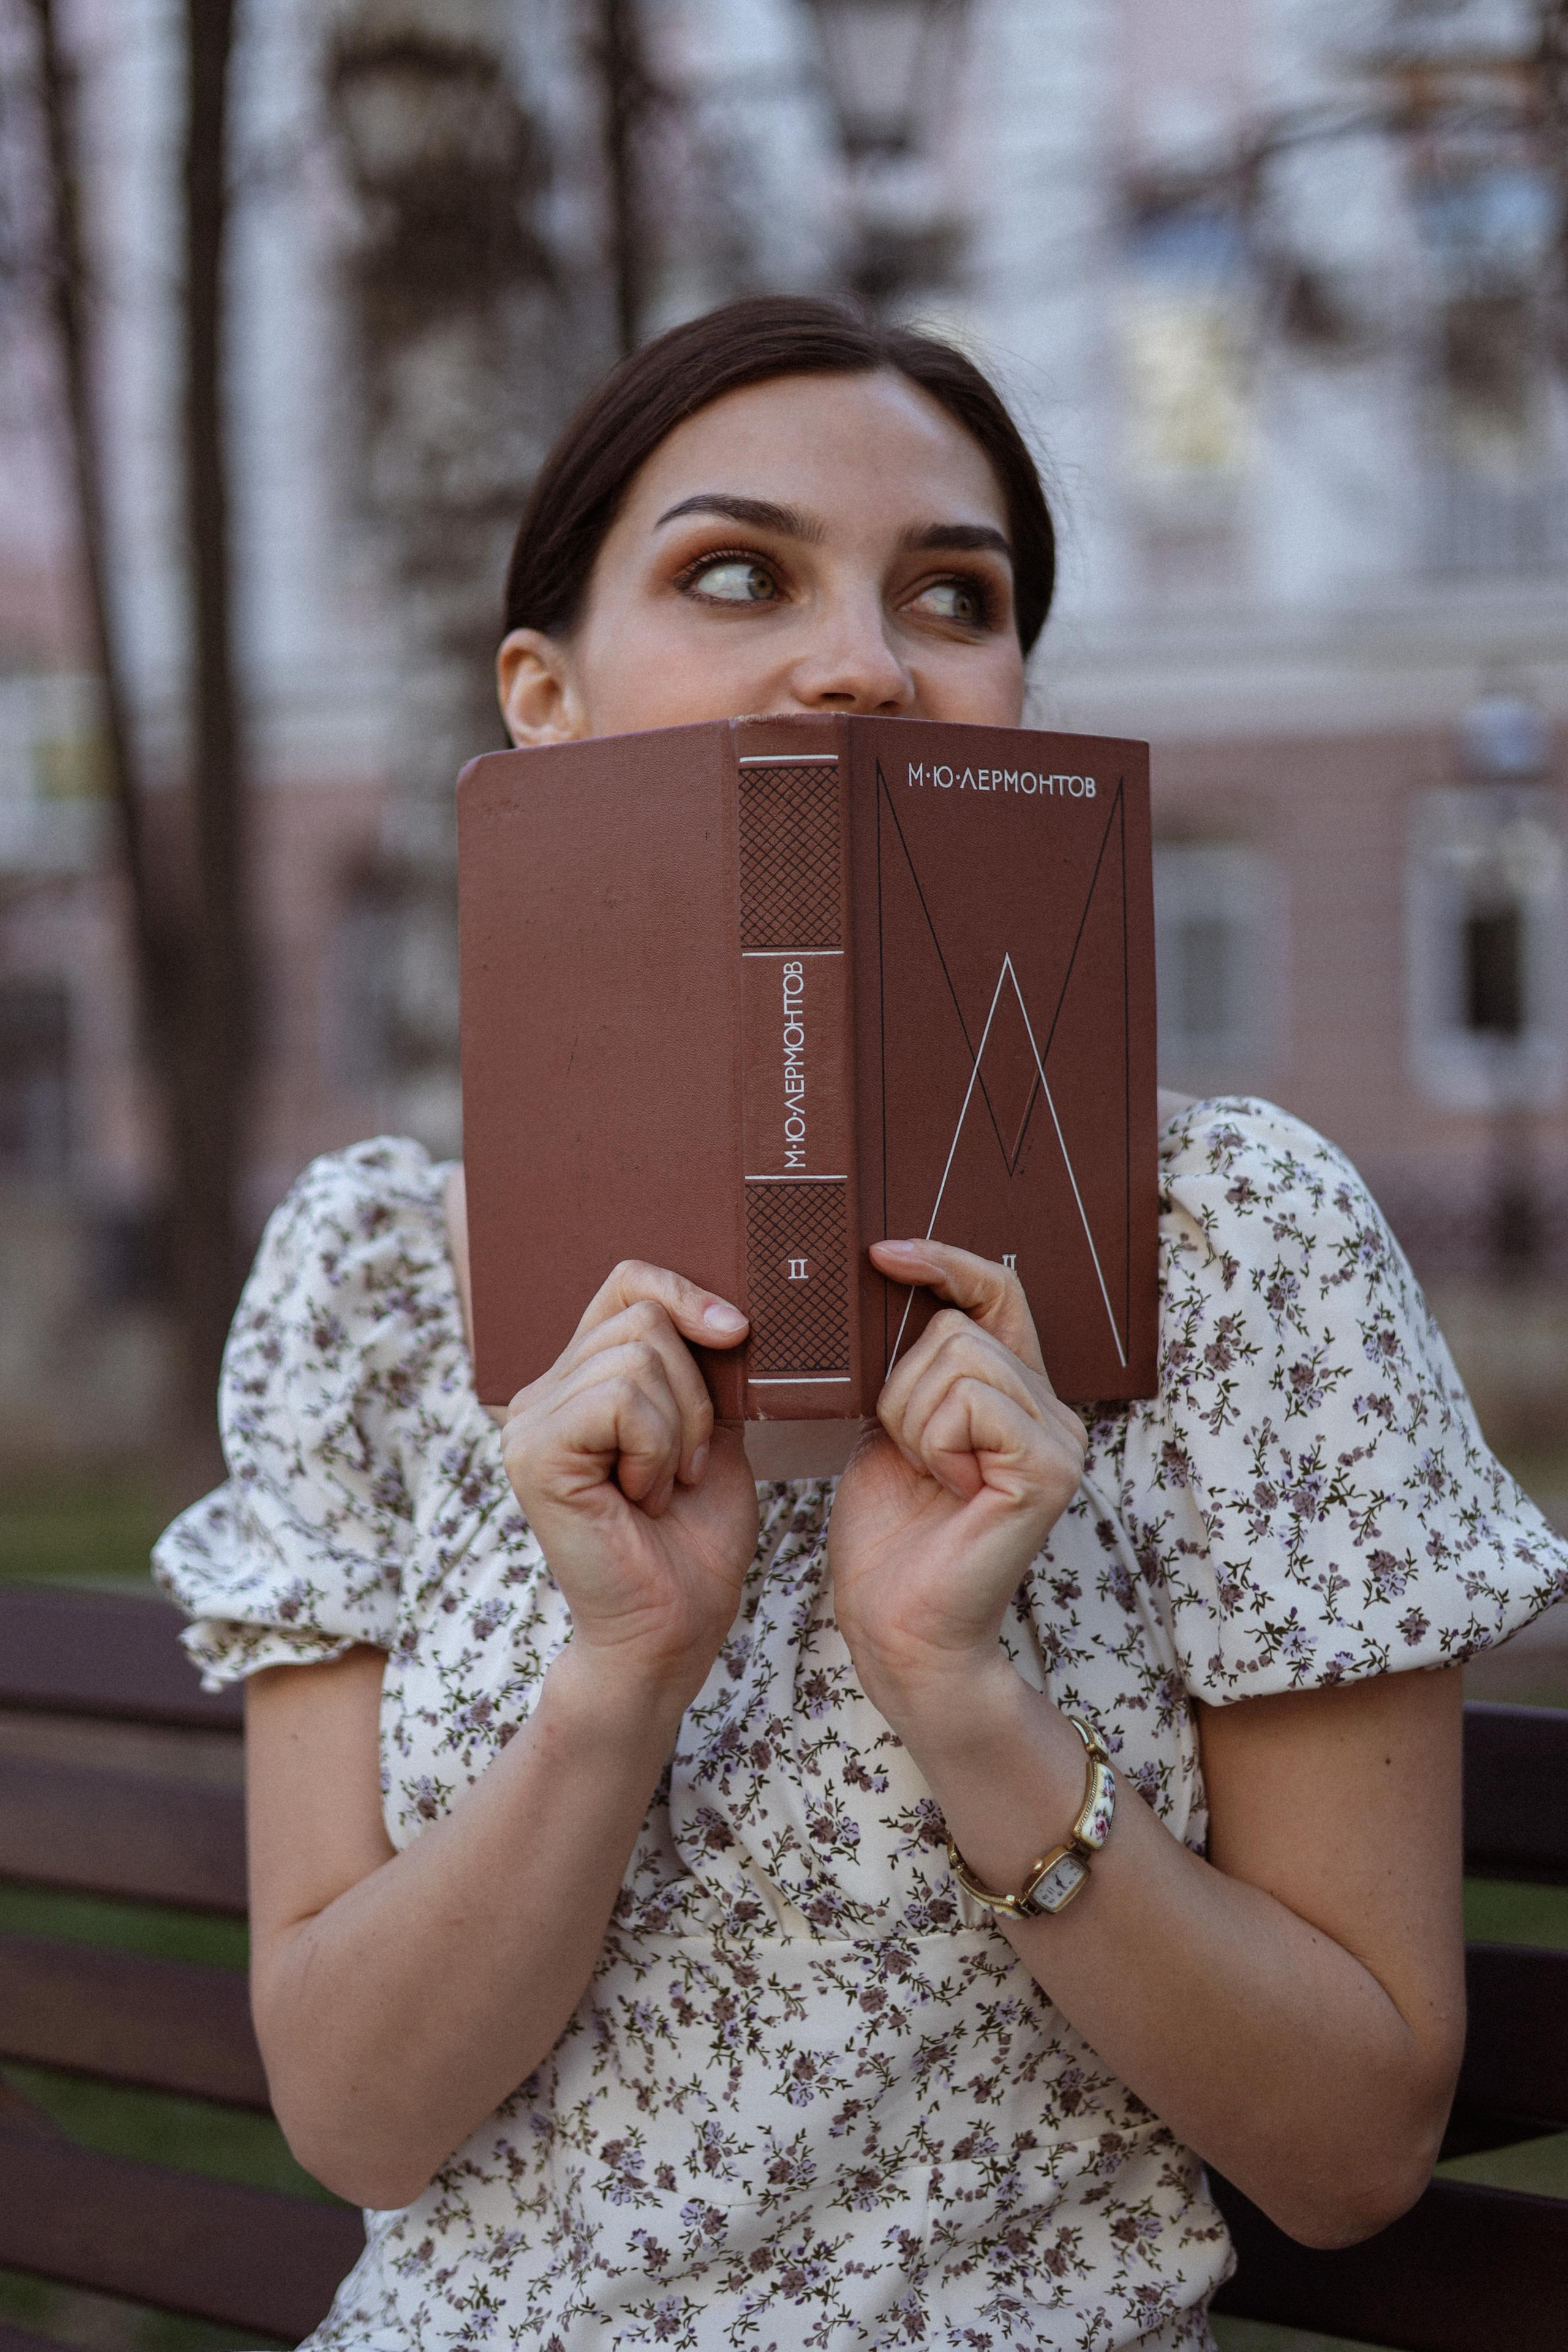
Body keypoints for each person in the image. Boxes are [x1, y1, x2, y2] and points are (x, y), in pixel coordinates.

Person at [155, 296, 1567, 2352]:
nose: (865, 658)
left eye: (953, 594)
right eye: (739, 573)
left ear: (1014, 695)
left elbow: (1354, 2151)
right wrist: (621, 1675)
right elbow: (360, 2116)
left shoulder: (1235, 1239)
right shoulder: (373, 1280)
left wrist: (964, 1696)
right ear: (544, 697)